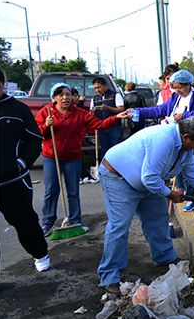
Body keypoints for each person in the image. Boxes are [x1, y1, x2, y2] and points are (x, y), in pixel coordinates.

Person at [97, 117, 194, 295]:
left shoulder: (186, 147)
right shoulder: (163, 140)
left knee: (158, 219)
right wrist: (169, 194)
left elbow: (191, 171)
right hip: (119, 178)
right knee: (119, 226)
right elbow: (149, 177)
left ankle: (164, 258)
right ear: (185, 137)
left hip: (150, 182)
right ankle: (109, 277)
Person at [35, 83, 126, 236]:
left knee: (73, 190)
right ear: (54, 98)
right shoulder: (47, 112)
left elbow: (100, 125)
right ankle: (47, 222)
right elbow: (36, 133)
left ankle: (75, 220)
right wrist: (45, 125)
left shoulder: (80, 113)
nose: (65, 97)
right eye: (61, 94)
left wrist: (116, 117)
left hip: (73, 157)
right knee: (51, 190)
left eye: (68, 94)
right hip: (52, 157)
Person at [133, 70, 194, 214]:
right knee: (182, 170)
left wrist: (185, 115)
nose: (177, 90)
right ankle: (192, 198)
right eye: (175, 87)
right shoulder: (175, 97)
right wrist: (137, 112)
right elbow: (159, 110)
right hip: (180, 139)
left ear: (189, 84)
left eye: (180, 87)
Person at [0, 66, 50, 274]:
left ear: (2, 85)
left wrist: (21, 163)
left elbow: (34, 138)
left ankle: (40, 253)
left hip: (13, 182)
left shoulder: (17, 109)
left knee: (25, 222)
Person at [90, 77, 124, 160]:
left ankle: (117, 168)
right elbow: (91, 112)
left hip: (114, 127)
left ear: (105, 86)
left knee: (116, 149)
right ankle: (105, 170)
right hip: (101, 128)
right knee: (104, 150)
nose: (97, 90)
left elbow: (121, 109)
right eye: (95, 88)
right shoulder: (94, 99)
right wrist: (92, 113)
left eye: (99, 87)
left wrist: (108, 108)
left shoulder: (115, 95)